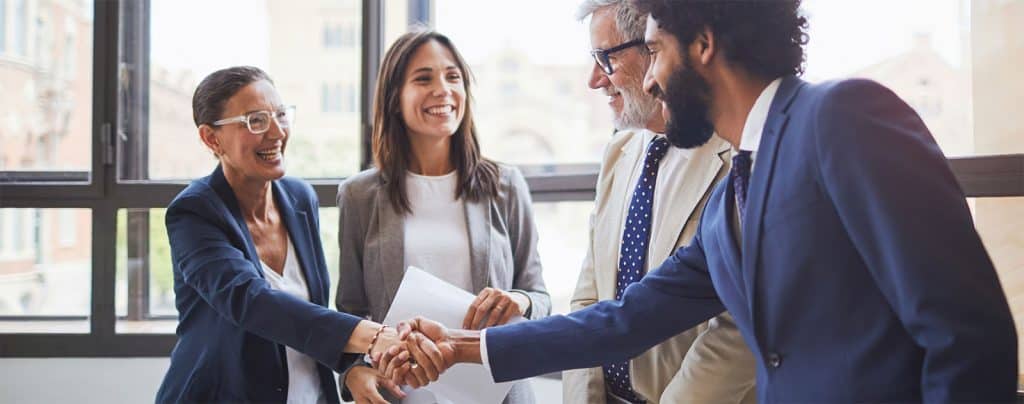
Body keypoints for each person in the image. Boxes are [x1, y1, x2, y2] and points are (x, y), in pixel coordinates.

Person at [383, 1, 1018, 402]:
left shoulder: (845, 116)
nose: (650, 78)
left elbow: (967, 335)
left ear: (704, 45)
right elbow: (625, 319)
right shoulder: (734, 195)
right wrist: (464, 348)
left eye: (654, 50)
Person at [156, 66, 446, 403]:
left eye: (280, 114)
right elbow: (253, 303)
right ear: (211, 138)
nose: (277, 131)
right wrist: (373, 336)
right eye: (256, 120)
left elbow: (310, 310)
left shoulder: (298, 198)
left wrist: (351, 365)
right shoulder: (194, 212)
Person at [335, 30, 550, 404]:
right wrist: (353, 370)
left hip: (498, 394)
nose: (443, 90)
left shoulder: (506, 185)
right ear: (394, 98)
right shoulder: (359, 195)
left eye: (453, 77)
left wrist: (520, 301)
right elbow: (350, 311)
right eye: (423, 78)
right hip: (402, 395)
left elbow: (540, 295)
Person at [564, 1, 755, 403]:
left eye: (605, 58)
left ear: (655, 48)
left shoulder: (737, 158)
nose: (595, 80)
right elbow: (589, 295)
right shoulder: (620, 151)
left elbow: (737, 329)